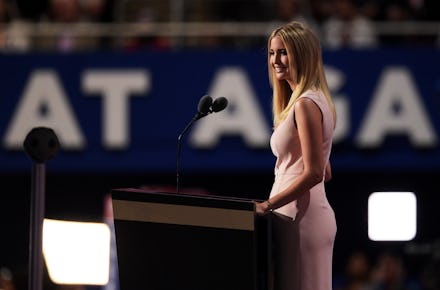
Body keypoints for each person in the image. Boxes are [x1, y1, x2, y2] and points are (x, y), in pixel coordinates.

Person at [255, 21, 337, 290]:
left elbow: (315, 172)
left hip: (300, 219)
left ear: (302, 54)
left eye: (283, 52)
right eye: (271, 53)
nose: (275, 60)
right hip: (299, 215)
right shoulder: (313, 99)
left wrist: (268, 204)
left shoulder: (305, 104)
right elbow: (325, 170)